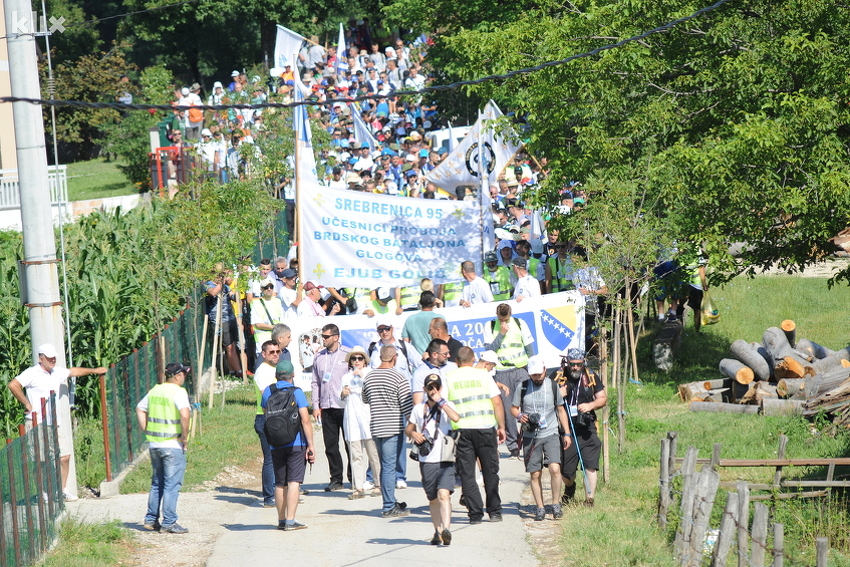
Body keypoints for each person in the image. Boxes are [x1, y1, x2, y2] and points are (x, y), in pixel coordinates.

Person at [7, 344, 107, 500]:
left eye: (54, 357)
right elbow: (13, 384)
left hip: (54, 422)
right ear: (41, 358)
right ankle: (42, 493)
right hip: (36, 423)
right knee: (40, 460)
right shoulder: (32, 373)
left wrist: (95, 371)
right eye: (49, 357)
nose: (52, 359)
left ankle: (62, 490)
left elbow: (73, 371)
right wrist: (27, 403)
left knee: (64, 456)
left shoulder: (57, 372)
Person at [445, 347, 506, 524]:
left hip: (462, 431)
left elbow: (444, 405)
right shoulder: (484, 375)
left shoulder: (449, 378)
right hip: (486, 429)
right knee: (490, 471)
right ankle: (494, 511)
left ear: (457, 361)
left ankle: (475, 514)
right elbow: (497, 403)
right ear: (473, 360)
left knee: (467, 474)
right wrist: (501, 426)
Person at [511, 356, 572, 521]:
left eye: (539, 374)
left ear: (545, 370)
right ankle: (540, 507)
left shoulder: (552, 386)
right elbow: (514, 409)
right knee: (535, 474)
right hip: (531, 436)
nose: (537, 377)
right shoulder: (522, 387)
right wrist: (521, 416)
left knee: (554, 468)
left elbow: (560, 410)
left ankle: (555, 504)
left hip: (551, 432)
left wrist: (566, 433)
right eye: (534, 375)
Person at [136, 363, 191, 533]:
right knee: (171, 484)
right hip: (172, 444)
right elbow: (184, 414)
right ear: (176, 376)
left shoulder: (155, 390)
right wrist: (184, 437)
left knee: (157, 483)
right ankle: (169, 522)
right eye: (183, 374)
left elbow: (139, 408)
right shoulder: (179, 392)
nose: (185, 377)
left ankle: (151, 519)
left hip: (155, 444)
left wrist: (146, 429)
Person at [405, 374, 461, 546]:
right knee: (433, 498)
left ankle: (447, 529)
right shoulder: (419, 409)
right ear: (425, 389)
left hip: (445, 457)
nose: (433, 390)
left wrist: (441, 401)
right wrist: (414, 434)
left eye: (436, 387)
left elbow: (456, 418)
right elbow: (408, 428)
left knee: (444, 494)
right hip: (427, 458)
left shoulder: (446, 405)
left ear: (441, 388)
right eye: (430, 387)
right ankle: (437, 531)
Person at [261, 360, 316, 530]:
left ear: (276, 375)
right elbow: (305, 420)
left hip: (275, 444)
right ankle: (291, 521)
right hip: (295, 442)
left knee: (279, 483)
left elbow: (266, 414)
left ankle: (281, 520)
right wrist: (311, 445)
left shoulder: (267, 392)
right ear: (293, 375)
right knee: (293, 481)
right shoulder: (297, 392)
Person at [361, 346, 413, 517]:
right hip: (393, 427)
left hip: (376, 426)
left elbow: (365, 398)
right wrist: (413, 427)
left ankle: (390, 499)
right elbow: (407, 406)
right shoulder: (399, 377)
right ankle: (388, 506)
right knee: (390, 467)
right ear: (395, 358)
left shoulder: (370, 377)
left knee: (385, 466)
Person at [554, 349, 607, 507]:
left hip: (586, 426)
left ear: (583, 362)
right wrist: (557, 394)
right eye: (572, 365)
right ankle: (570, 488)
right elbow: (545, 396)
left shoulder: (590, 376)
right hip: (566, 428)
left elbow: (602, 398)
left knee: (590, 465)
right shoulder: (558, 376)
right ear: (567, 363)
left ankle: (589, 499)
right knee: (566, 472)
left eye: (578, 364)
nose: (575, 368)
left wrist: (590, 405)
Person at [483, 303, 535, 459]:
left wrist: (531, 369)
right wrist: (501, 334)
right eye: (501, 319)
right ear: (497, 315)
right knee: (508, 410)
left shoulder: (520, 323)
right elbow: (489, 350)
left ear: (511, 314)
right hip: (502, 372)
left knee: (528, 405)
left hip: (520, 369)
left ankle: (531, 443)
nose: (503, 322)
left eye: (506, 319)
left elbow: (529, 347)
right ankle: (513, 447)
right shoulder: (490, 325)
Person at [311, 324, 351, 492]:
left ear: (336, 337)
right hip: (326, 406)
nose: (323, 339)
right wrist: (315, 405)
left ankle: (354, 476)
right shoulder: (319, 357)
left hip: (344, 406)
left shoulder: (348, 354)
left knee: (350, 443)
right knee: (330, 445)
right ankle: (336, 478)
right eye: (322, 336)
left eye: (326, 337)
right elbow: (315, 382)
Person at [339, 345, 382, 499]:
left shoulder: (370, 374)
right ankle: (358, 487)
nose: (357, 361)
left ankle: (378, 484)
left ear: (364, 360)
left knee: (373, 454)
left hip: (368, 418)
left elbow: (375, 394)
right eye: (354, 358)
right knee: (355, 455)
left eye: (360, 358)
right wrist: (343, 394)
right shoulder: (345, 377)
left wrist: (362, 377)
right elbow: (341, 402)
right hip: (352, 419)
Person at [252, 341, 281, 507]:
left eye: (277, 351)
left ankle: (280, 492)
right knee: (270, 458)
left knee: (280, 456)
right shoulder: (262, 371)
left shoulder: (276, 369)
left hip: (278, 416)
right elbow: (267, 397)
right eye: (271, 352)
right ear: (263, 354)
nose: (276, 354)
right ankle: (269, 497)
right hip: (265, 417)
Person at [410, 339, 457, 405]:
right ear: (434, 355)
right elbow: (417, 402)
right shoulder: (420, 373)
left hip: (452, 411)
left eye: (448, 352)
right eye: (445, 354)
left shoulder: (453, 367)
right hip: (433, 413)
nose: (449, 356)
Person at [250, 278, 286, 358]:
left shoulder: (277, 301)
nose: (269, 289)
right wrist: (275, 327)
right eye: (266, 287)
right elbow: (258, 324)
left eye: (271, 287)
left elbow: (282, 319)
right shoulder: (256, 303)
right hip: (263, 342)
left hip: (277, 339)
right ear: (261, 289)